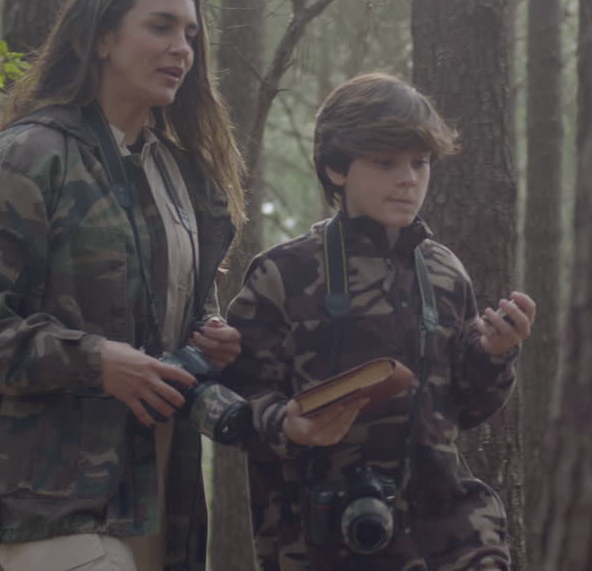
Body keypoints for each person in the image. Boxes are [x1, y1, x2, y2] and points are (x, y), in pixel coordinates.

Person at [0, 0, 246, 571]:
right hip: (56, 496)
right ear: (102, 37)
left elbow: (181, 311)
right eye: (160, 27)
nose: (182, 49)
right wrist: (95, 361)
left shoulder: (183, 177)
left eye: (191, 34)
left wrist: (210, 340)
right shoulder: (26, 155)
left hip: (165, 489)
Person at [221, 73, 536, 571]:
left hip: (455, 536)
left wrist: (496, 354)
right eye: (385, 162)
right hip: (329, 539)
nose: (408, 178)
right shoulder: (284, 273)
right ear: (336, 169)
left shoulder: (445, 272)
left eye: (420, 162)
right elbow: (231, 399)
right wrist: (288, 424)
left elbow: (467, 409)